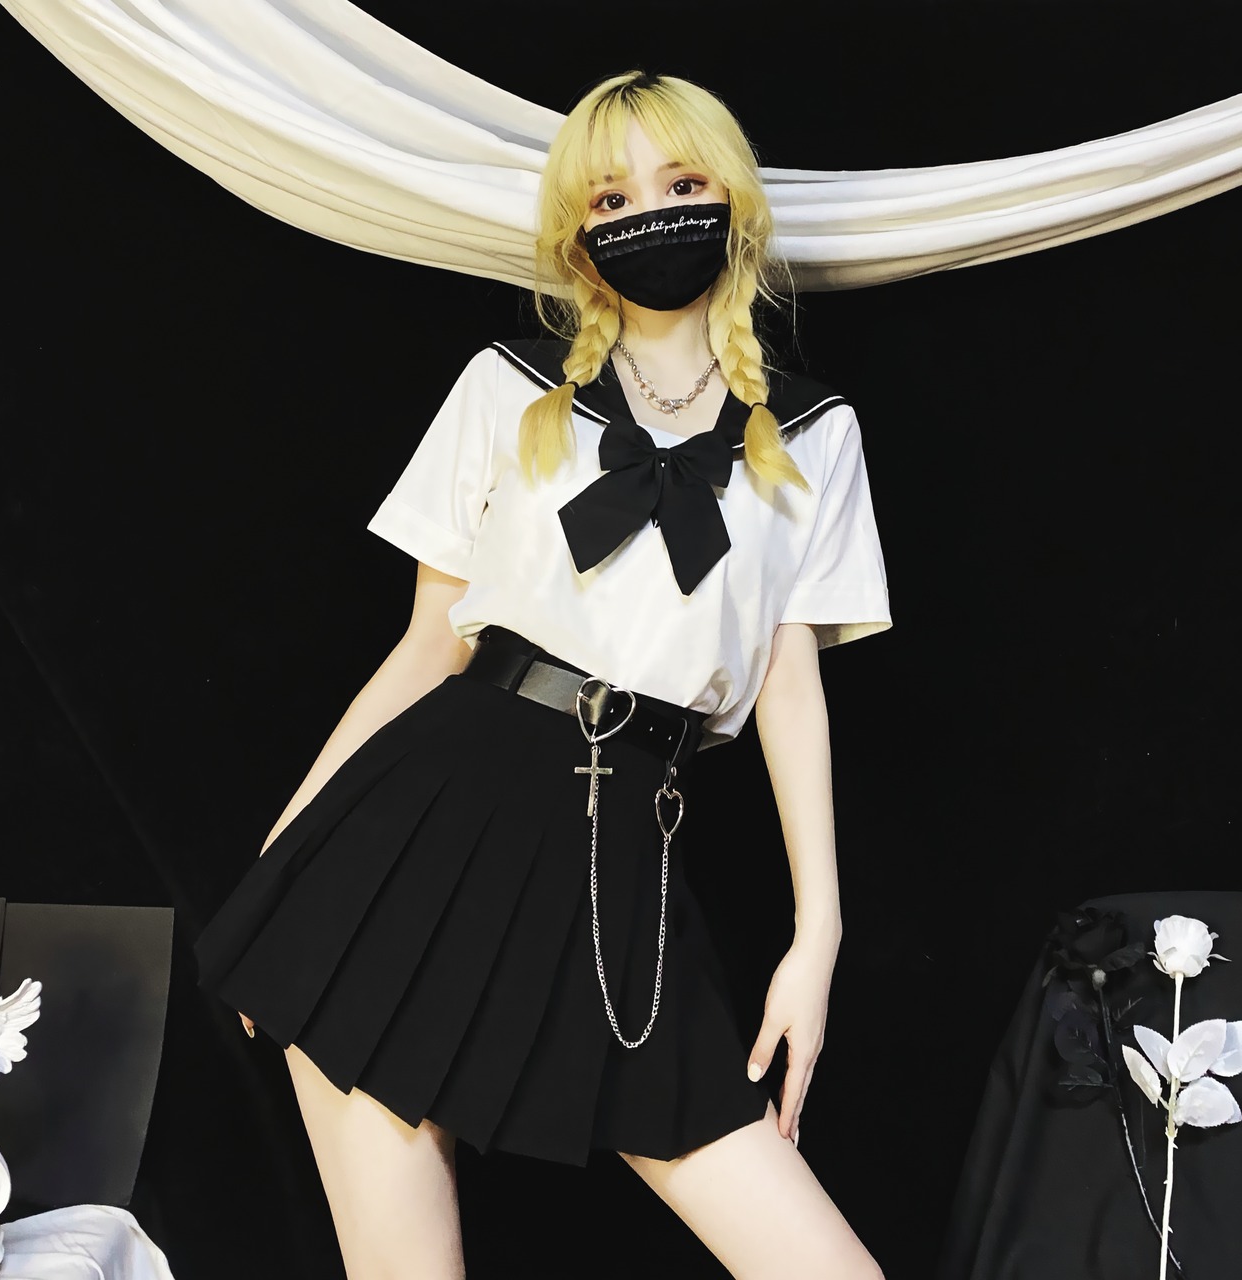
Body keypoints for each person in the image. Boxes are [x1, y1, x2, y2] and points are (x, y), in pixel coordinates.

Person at [194, 69, 891, 1280]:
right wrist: (283, 863)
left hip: (623, 855)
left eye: (680, 182)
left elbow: (788, 687)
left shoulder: (812, 431)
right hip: (424, 822)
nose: (649, 213)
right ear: (576, 230)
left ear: (732, 196)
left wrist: (815, 934)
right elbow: (428, 646)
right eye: (611, 196)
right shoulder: (506, 387)